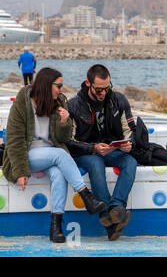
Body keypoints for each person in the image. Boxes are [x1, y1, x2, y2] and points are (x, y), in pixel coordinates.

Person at [2, 67, 106, 243]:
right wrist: (20, 171)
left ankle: (56, 226)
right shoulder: (24, 100)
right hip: (27, 155)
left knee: (59, 174)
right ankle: (85, 195)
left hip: (50, 154)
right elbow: (14, 138)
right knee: (59, 155)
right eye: (58, 85)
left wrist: (65, 122)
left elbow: (63, 138)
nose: (61, 89)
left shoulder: (59, 101)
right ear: (46, 85)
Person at [66, 64, 137, 241]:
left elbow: (131, 130)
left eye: (107, 88)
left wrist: (129, 144)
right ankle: (108, 215)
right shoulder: (73, 105)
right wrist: (92, 148)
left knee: (130, 161)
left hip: (111, 149)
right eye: (98, 89)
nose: (103, 93)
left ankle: (116, 209)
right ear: (87, 84)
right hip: (85, 153)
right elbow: (68, 140)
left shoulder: (119, 100)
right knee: (96, 162)